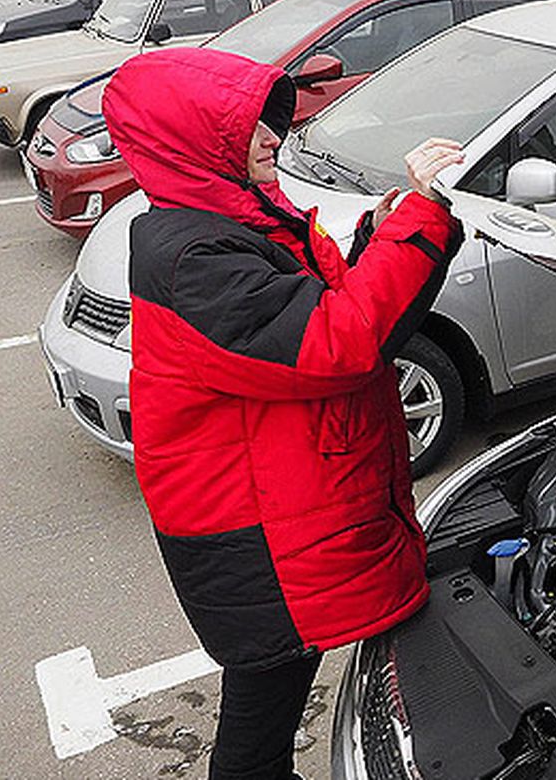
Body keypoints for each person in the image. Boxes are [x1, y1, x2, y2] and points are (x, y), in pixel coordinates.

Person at [102, 47, 465, 780]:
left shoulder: (226, 218)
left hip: (276, 511)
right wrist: (421, 219)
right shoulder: (195, 255)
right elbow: (337, 341)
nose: (274, 137)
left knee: (289, 687)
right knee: (259, 723)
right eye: (250, 130)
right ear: (197, 145)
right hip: (256, 536)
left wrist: (383, 224)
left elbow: (318, 299)